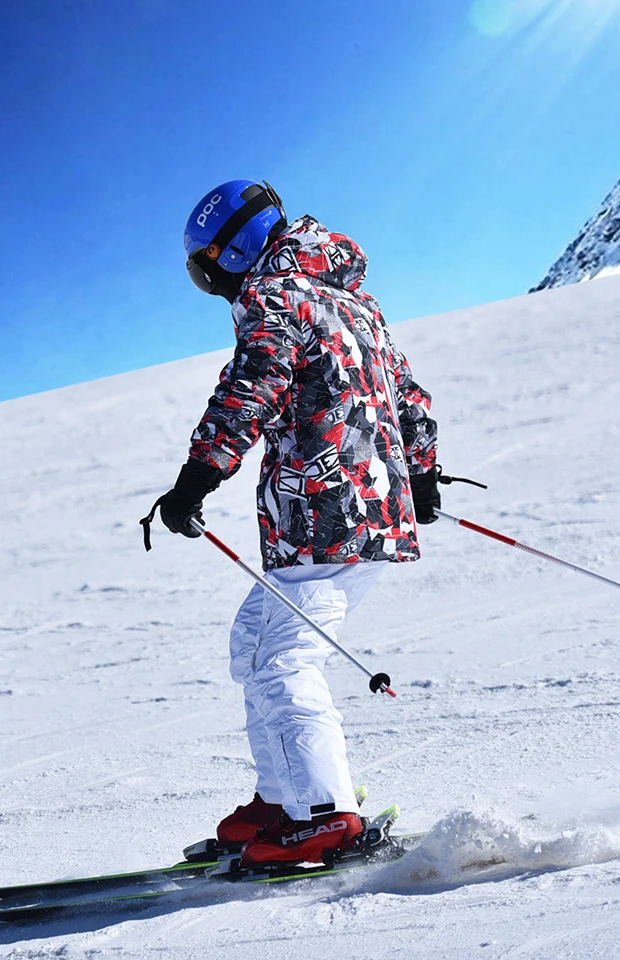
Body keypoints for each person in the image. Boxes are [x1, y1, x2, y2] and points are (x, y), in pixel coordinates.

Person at [150, 179, 439, 867]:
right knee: (258, 639)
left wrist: (198, 477)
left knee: (281, 658)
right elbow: (408, 395)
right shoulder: (353, 301)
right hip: (364, 509)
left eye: (207, 268)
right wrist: (420, 474)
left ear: (227, 255)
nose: (212, 283)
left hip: (322, 509)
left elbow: (251, 386)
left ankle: (321, 814)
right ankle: (284, 796)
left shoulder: (272, 295)